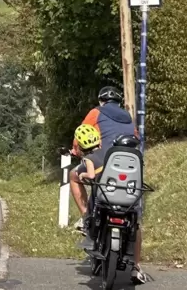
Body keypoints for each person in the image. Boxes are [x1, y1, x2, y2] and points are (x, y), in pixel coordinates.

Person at [69, 86, 146, 284]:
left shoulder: (96, 112)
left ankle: (87, 217)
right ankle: (136, 267)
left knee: (74, 176)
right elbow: (136, 138)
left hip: (103, 163)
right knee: (135, 216)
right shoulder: (129, 117)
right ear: (118, 103)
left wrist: (76, 151)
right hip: (130, 170)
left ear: (102, 101)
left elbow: (81, 136)